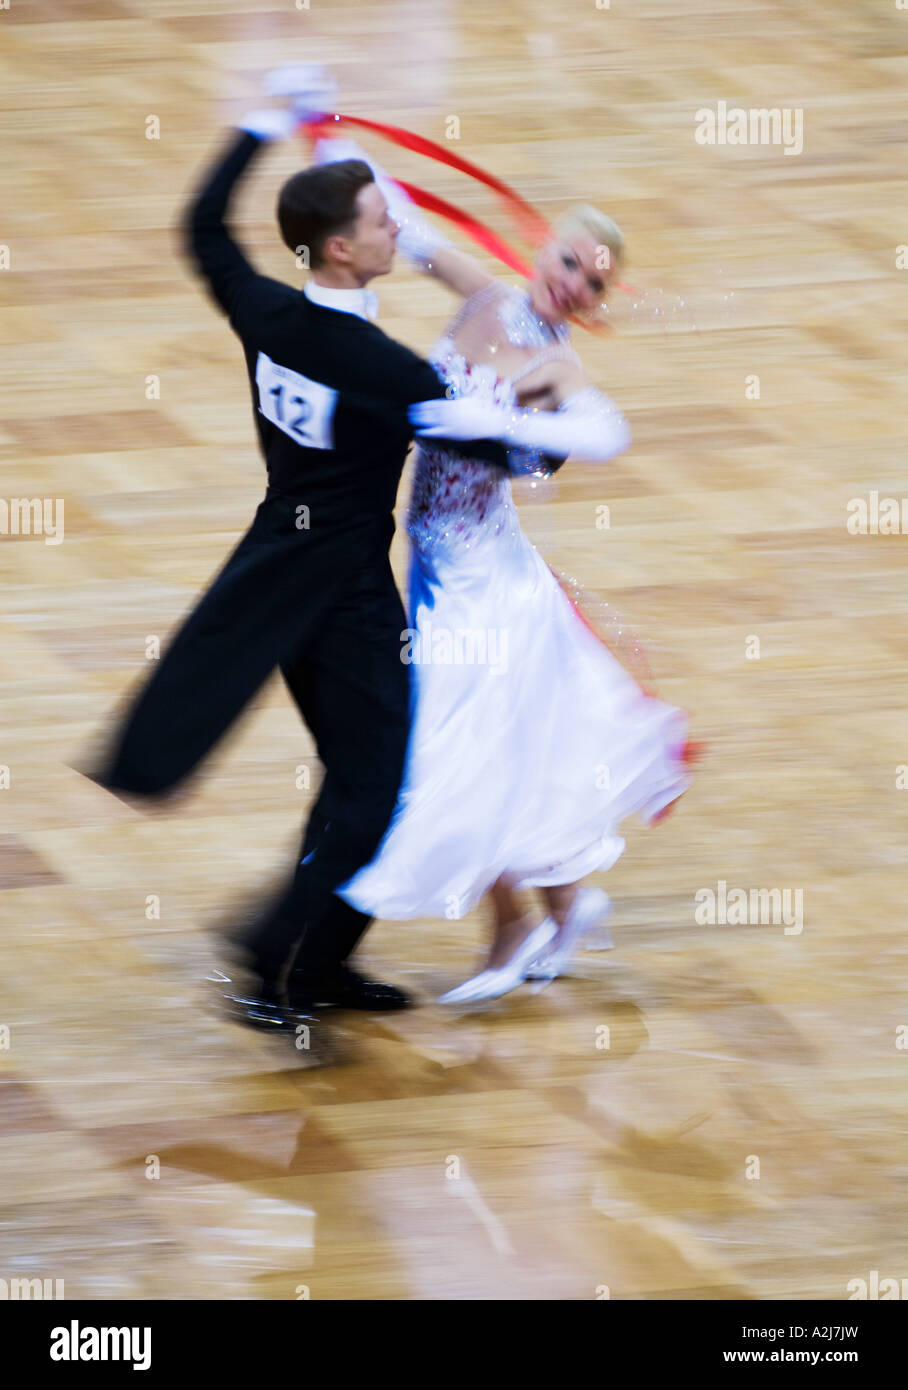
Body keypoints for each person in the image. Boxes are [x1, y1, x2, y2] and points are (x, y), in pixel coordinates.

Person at [89, 71, 538, 1033]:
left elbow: (204, 230)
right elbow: (493, 446)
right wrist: (570, 422)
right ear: (343, 249)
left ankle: (317, 963)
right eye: (384, 222)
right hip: (342, 594)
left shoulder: (265, 311)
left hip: (280, 573)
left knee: (358, 770)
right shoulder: (383, 367)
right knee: (382, 781)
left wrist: (261, 125)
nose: (398, 233)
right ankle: (273, 956)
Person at [305, 118, 694, 1004]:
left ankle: (513, 927)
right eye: (568, 261)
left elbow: (607, 434)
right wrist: (321, 136)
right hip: (436, 561)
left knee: (456, 750)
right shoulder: (482, 296)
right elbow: (403, 223)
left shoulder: (556, 369)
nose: (572, 284)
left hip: (483, 580)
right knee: (497, 748)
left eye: (591, 282)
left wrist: (505, 425)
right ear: (544, 248)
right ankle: (567, 903)